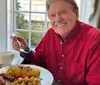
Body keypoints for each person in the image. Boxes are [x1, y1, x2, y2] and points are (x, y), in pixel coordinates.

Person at [0, 0, 100, 85]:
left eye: (63, 12)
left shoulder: (95, 39)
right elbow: (39, 60)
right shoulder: (50, 34)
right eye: (52, 15)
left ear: (76, 13)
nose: (57, 19)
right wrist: (26, 49)